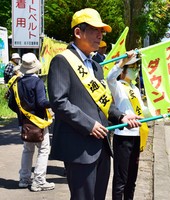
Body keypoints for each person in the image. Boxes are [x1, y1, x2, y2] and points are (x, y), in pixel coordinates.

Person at [47, 8, 141, 200]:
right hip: (79, 147)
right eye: (94, 30)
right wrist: (89, 124)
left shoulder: (96, 66)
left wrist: (122, 116)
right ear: (78, 32)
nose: (100, 35)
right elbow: (59, 102)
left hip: (102, 147)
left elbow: (103, 102)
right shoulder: (62, 61)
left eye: (102, 31)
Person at [8, 52, 55, 192]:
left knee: (28, 150)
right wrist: (54, 103)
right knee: (44, 149)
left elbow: (11, 104)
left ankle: (24, 179)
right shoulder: (37, 82)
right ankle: (39, 181)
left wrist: (22, 115)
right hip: (38, 122)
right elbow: (41, 102)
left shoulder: (18, 82)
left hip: (24, 123)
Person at [107, 55, 151, 200]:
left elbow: (143, 110)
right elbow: (109, 78)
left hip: (137, 135)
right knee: (121, 179)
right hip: (123, 136)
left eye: (137, 68)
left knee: (132, 179)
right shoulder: (118, 86)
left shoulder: (135, 88)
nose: (136, 71)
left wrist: (160, 111)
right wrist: (122, 62)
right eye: (132, 68)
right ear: (123, 71)